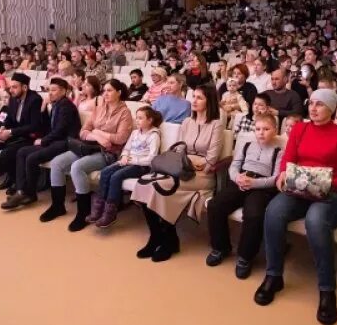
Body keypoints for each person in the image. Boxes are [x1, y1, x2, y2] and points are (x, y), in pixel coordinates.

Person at [256, 89, 337, 325]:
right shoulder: (300, 129)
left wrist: (329, 184)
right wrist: (283, 173)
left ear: (332, 109)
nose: (314, 108)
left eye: (320, 104)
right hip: (301, 190)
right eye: (312, 103)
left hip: (333, 194)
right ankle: (274, 275)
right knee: (273, 211)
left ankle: (327, 290)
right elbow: (289, 158)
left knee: (315, 221)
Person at [132, 84, 224, 262]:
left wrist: (195, 162)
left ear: (209, 101)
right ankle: (158, 236)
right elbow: (180, 149)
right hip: (183, 168)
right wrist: (189, 161)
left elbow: (211, 160)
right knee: (144, 182)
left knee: (161, 186)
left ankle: (168, 241)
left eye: (199, 97)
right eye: (194, 96)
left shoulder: (216, 125)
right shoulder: (187, 122)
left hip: (203, 176)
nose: (194, 101)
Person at [40, 79, 133, 231]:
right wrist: (97, 136)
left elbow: (120, 139)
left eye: (109, 90)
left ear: (119, 92)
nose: (105, 94)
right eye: (104, 91)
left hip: (109, 153)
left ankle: (83, 212)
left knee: (77, 167)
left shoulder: (125, 113)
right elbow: (83, 132)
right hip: (89, 147)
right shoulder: (99, 108)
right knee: (57, 163)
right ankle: (58, 206)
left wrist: (98, 132)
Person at [206, 113, 283, 279]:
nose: (261, 132)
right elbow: (234, 166)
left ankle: (245, 256)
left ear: (275, 131)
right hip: (240, 181)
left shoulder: (279, 151)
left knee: (254, 215)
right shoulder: (247, 144)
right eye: (258, 129)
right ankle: (221, 247)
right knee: (215, 205)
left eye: (266, 129)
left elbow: (276, 178)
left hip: (261, 187)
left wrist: (254, 183)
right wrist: (237, 178)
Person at [2, 78, 82, 208]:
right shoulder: (56, 104)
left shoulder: (66, 106)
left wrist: (43, 140)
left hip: (64, 143)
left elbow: (60, 131)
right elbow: (47, 127)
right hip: (54, 141)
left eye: (54, 90)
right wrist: (44, 108)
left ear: (64, 91)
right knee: (22, 152)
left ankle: (30, 193)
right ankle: (22, 191)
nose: (50, 93)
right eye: (49, 90)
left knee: (32, 157)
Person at [88, 106, 163, 228]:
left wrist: (133, 160)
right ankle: (99, 207)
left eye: (140, 118)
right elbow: (127, 148)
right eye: (136, 118)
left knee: (116, 176)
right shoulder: (135, 133)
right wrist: (124, 157)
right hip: (128, 161)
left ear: (149, 120)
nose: (137, 121)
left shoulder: (154, 135)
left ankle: (110, 213)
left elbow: (152, 158)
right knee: (106, 171)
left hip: (142, 166)